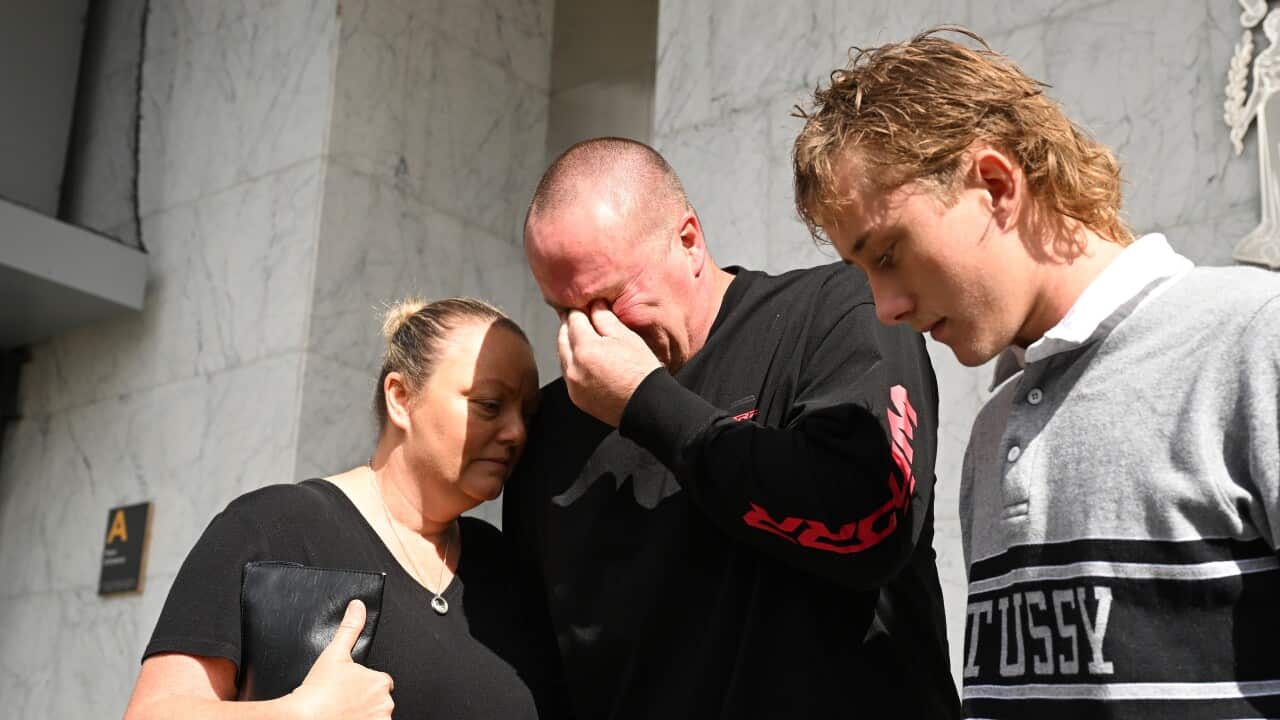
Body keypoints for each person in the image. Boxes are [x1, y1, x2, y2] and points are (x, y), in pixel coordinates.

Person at [794, 27, 1280, 719]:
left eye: (890, 253)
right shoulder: (994, 427)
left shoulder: (1254, 340)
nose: (885, 307)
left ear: (995, 185)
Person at [504, 137, 959, 718]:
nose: (590, 336)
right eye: (562, 312)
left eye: (608, 299)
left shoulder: (834, 311)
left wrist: (647, 403)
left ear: (688, 241)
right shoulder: (551, 432)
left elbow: (871, 520)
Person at [125, 298, 567, 719]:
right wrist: (295, 715)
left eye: (527, 414)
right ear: (401, 397)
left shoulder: (506, 567)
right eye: (490, 405)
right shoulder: (273, 529)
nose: (516, 432)